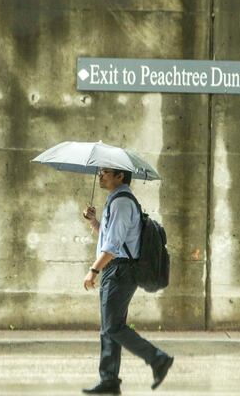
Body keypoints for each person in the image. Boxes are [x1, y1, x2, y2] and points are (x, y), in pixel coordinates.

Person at [80, 167, 174, 394]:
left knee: (113, 326)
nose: (100, 176)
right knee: (108, 326)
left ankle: (158, 358)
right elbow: (111, 238)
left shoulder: (122, 202)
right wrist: (94, 222)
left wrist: (94, 270)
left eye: (105, 172)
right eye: (100, 172)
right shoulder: (115, 200)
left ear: (120, 176)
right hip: (116, 269)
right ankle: (109, 380)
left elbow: (112, 247)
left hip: (121, 271)